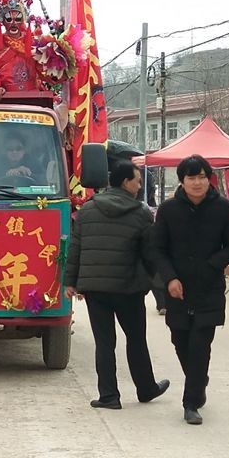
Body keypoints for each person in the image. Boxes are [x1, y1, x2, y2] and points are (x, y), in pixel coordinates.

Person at [65, 160, 169, 410]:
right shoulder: (141, 213)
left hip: (95, 289)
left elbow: (75, 248)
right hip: (129, 288)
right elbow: (150, 252)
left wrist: (69, 281)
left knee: (104, 343)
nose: (140, 186)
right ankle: (146, 388)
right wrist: (153, 281)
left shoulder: (87, 209)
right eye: (138, 181)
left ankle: (109, 396)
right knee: (136, 339)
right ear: (125, 182)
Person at [146, 154, 229, 426]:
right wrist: (169, 278)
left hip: (209, 287)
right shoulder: (168, 210)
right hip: (177, 288)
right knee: (180, 341)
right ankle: (198, 380)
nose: (197, 182)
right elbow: (157, 249)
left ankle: (191, 403)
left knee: (200, 344)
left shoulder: (223, 208)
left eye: (202, 177)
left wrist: (212, 265)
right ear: (182, 181)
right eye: (192, 177)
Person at [0, 0, 39, 97]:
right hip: (6, 97)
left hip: (33, 95)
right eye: (9, 19)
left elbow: (43, 68)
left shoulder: (34, 44)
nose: (13, 23)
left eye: (17, 19)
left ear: (22, 21)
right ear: (2, 21)